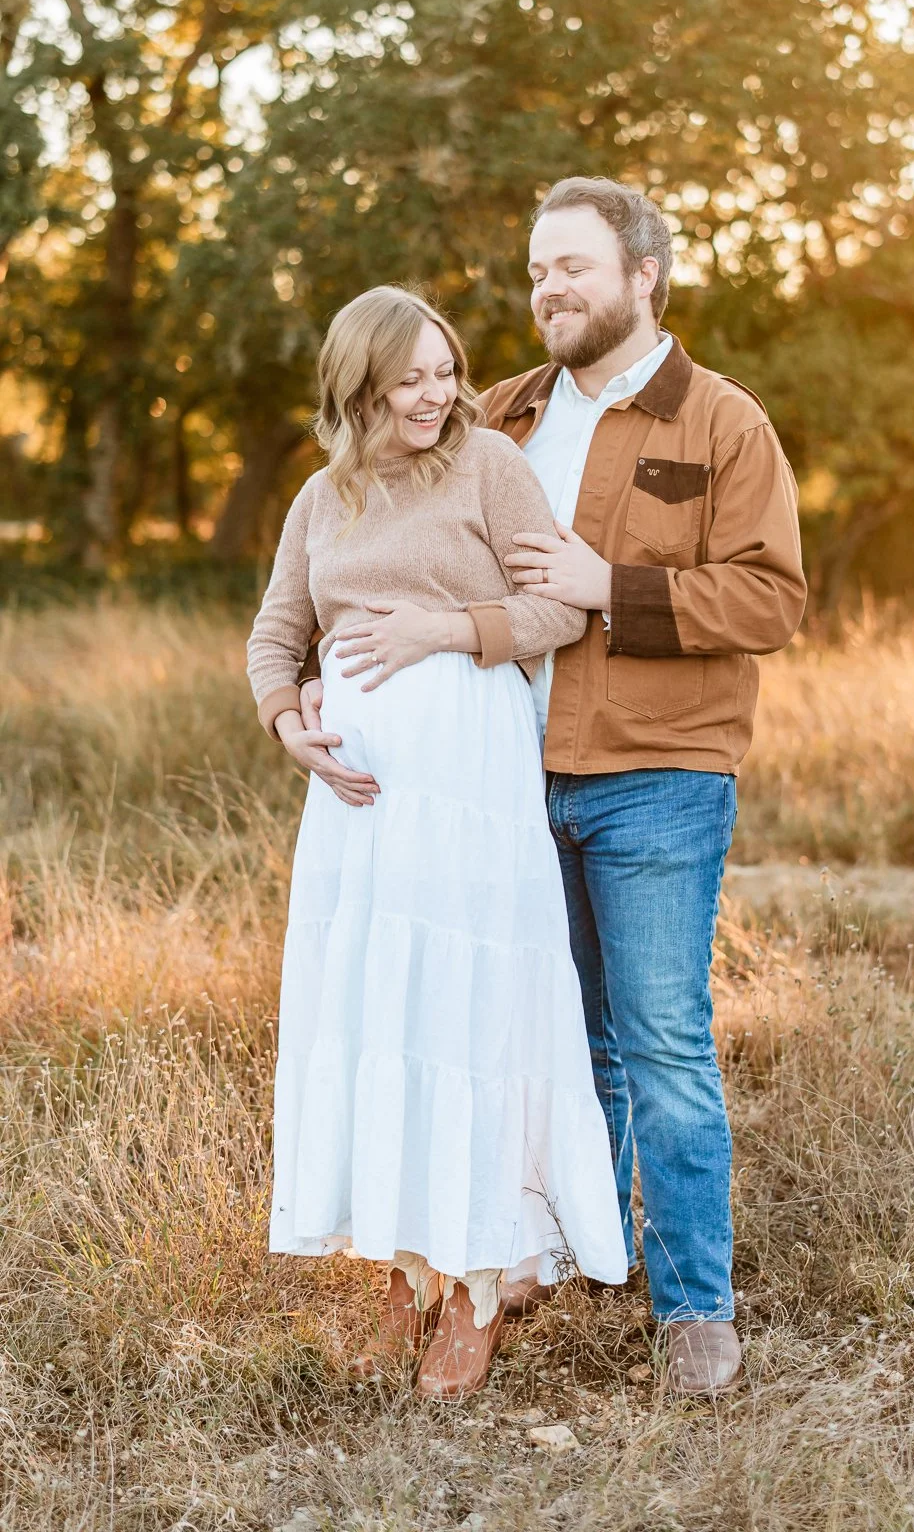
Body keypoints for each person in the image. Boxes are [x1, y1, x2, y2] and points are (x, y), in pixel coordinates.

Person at [293, 177, 807, 1396]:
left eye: (571, 266)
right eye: (535, 271)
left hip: (654, 777)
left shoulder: (721, 422)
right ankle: (551, 1256)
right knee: (542, 1039)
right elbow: (378, 553)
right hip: (505, 785)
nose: (547, 290)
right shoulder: (496, 417)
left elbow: (774, 599)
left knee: (663, 1041)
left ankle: (694, 1310)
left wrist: (606, 583)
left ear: (643, 277)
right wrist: (319, 681)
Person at [246, 285, 628, 1401]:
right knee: (378, 1006)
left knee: (465, 1009)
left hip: (467, 770)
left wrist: (441, 632)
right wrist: (289, 724)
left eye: (443, 370)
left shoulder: (490, 468)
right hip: (359, 798)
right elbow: (278, 631)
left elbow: (561, 607)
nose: (432, 394)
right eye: (406, 377)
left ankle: (477, 1278)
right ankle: (407, 1266)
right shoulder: (323, 498)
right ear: (359, 384)